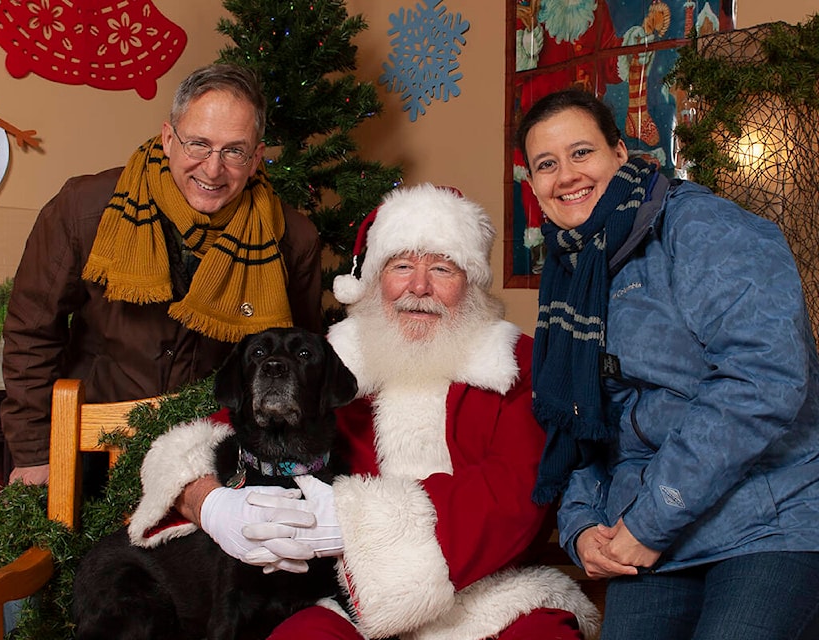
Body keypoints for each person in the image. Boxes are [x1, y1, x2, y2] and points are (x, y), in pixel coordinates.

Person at [125, 184, 601, 639]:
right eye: (400, 266)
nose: (419, 286)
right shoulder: (331, 363)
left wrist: (356, 523)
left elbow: (521, 492)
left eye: (442, 269)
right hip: (346, 598)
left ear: (471, 284)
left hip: (488, 595)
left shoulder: (515, 366)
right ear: (373, 281)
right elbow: (207, 440)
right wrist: (207, 502)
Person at [517, 88, 819, 640]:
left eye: (581, 153)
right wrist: (582, 523)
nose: (565, 176)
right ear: (534, 186)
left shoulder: (703, 228)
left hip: (768, 517)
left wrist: (652, 517)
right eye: (546, 164)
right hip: (651, 533)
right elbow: (577, 419)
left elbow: (764, 379)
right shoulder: (572, 273)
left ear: (620, 153)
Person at [1, 64, 322, 485]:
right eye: (198, 145)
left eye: (234, 151)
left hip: (215, 458)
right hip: (91, 452)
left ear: (257, 157)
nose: (212, 169)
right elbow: (31, 332)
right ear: (168, 138)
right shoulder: (84, 208)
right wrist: (34, 451)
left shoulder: (292, 239)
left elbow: (302, 362)